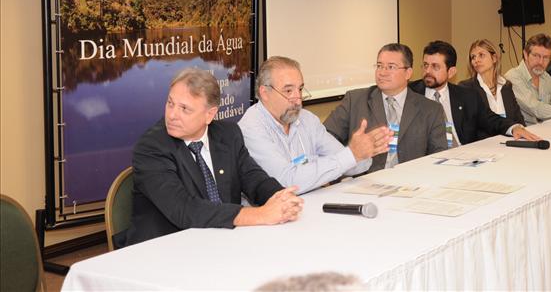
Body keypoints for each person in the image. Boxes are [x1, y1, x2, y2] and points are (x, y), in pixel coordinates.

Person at [124, 68, 303, 247]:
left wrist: (280, 198)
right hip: (164, 248)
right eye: (170, 103)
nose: (172, 115)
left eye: (184, 109)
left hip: (222, 241)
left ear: (209, 114)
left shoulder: (228, 134)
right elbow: (185, 209)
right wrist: (261, 215)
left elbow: (254, 178)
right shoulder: (151, 147)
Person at [240, 56, 392, 194]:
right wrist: (350, 155)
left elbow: (350, 164)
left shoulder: (307, 120)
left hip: (311, 204)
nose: (298, 99)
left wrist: (363, 151)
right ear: (265, 93)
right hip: (271, 212)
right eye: (288, 91)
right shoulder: (251, 128)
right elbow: (287, 182)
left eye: (300, 89)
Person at [324, 43, 447, 173]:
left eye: (391, 67)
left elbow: (439, 156)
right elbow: (324, 139)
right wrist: (350, 153)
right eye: (379, 66)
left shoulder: (431, 109)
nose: (382, 72)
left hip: (411, 179)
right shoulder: (354, 100)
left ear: (408, 73)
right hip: (365, 178)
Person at [410, 40, 540, 144]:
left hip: (463, 155)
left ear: (451, 72)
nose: (428, 71)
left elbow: (490, 119)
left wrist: (514, 128)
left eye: (435, 67)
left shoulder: (466, 95)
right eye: (425, 65)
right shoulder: (410, 93)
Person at [459, 39, 525, 126]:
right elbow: (469, 124)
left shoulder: (506, 85)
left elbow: (518, 119)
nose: (476, 60)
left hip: (510, 133)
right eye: (473, 57)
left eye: (481, 55)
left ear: (494, 58)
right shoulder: (466, 87)